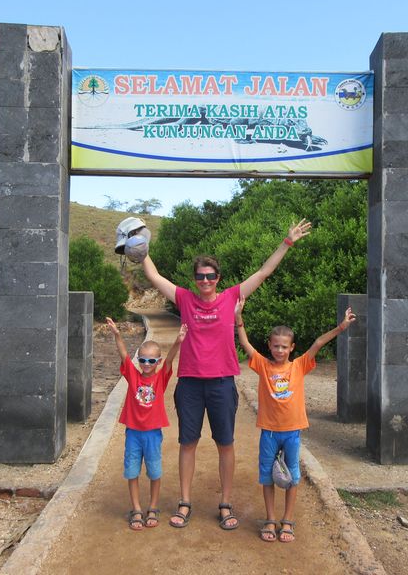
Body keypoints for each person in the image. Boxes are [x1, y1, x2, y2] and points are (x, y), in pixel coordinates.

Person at [140, 219, 311, 530]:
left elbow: (263, 272)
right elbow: (154, 276)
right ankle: (184, 502)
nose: (205, 280)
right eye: (200, 276)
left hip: (221, 384)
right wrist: (140, 246)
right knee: (188, 443)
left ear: (218, 278)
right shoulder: (185, 299)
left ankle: (225, 504)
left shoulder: (231, 296)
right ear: (195, 279)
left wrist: (287, 242)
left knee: (225, 444)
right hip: (190, 383)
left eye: (210, 275)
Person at [234, 297, 355, 543]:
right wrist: (238, 318)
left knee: (293, 476)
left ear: (291, 348)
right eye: (276, 346)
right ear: (269, 346)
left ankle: (287, 520)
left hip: (292, 432)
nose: (279, 350)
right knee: (267, 476)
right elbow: (245, 343)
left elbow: (318, 343)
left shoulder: (299, 366)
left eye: (284, 347)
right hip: (269, 431)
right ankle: (270, 519)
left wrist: (341, 327)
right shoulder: (263, 365)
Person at [105, 316, 188, 531]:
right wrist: (117, 335)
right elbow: (124, 355)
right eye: (143, 360)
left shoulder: (160, 379)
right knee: (132, 471)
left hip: (152, 433)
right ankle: (136, 508)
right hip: (133, 433)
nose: (147, 364)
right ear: (139, 360)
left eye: (152, 360)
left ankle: (152, 507)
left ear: (157, 362)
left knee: (154, 471)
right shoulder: (133, 376)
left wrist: (178, 341)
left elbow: (169, 361)